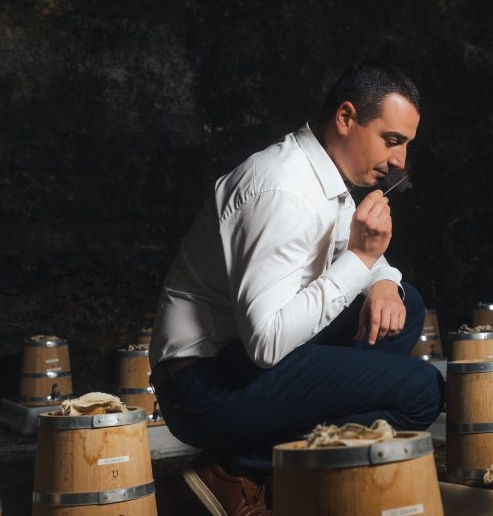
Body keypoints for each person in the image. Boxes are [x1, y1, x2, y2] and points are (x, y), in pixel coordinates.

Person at [148, 60, 444, 516]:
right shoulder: (282, 190)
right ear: (346, 118)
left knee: (406, 307)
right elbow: (266, 342)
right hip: (203, 385)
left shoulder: (324, 173)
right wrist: (362, 260)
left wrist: (381, 281)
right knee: (422, 391)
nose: (400, 162)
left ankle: (253, 456)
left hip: (239, 364)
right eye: (392, 140)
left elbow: (371, 262)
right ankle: (237, 465)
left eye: (406, 145)